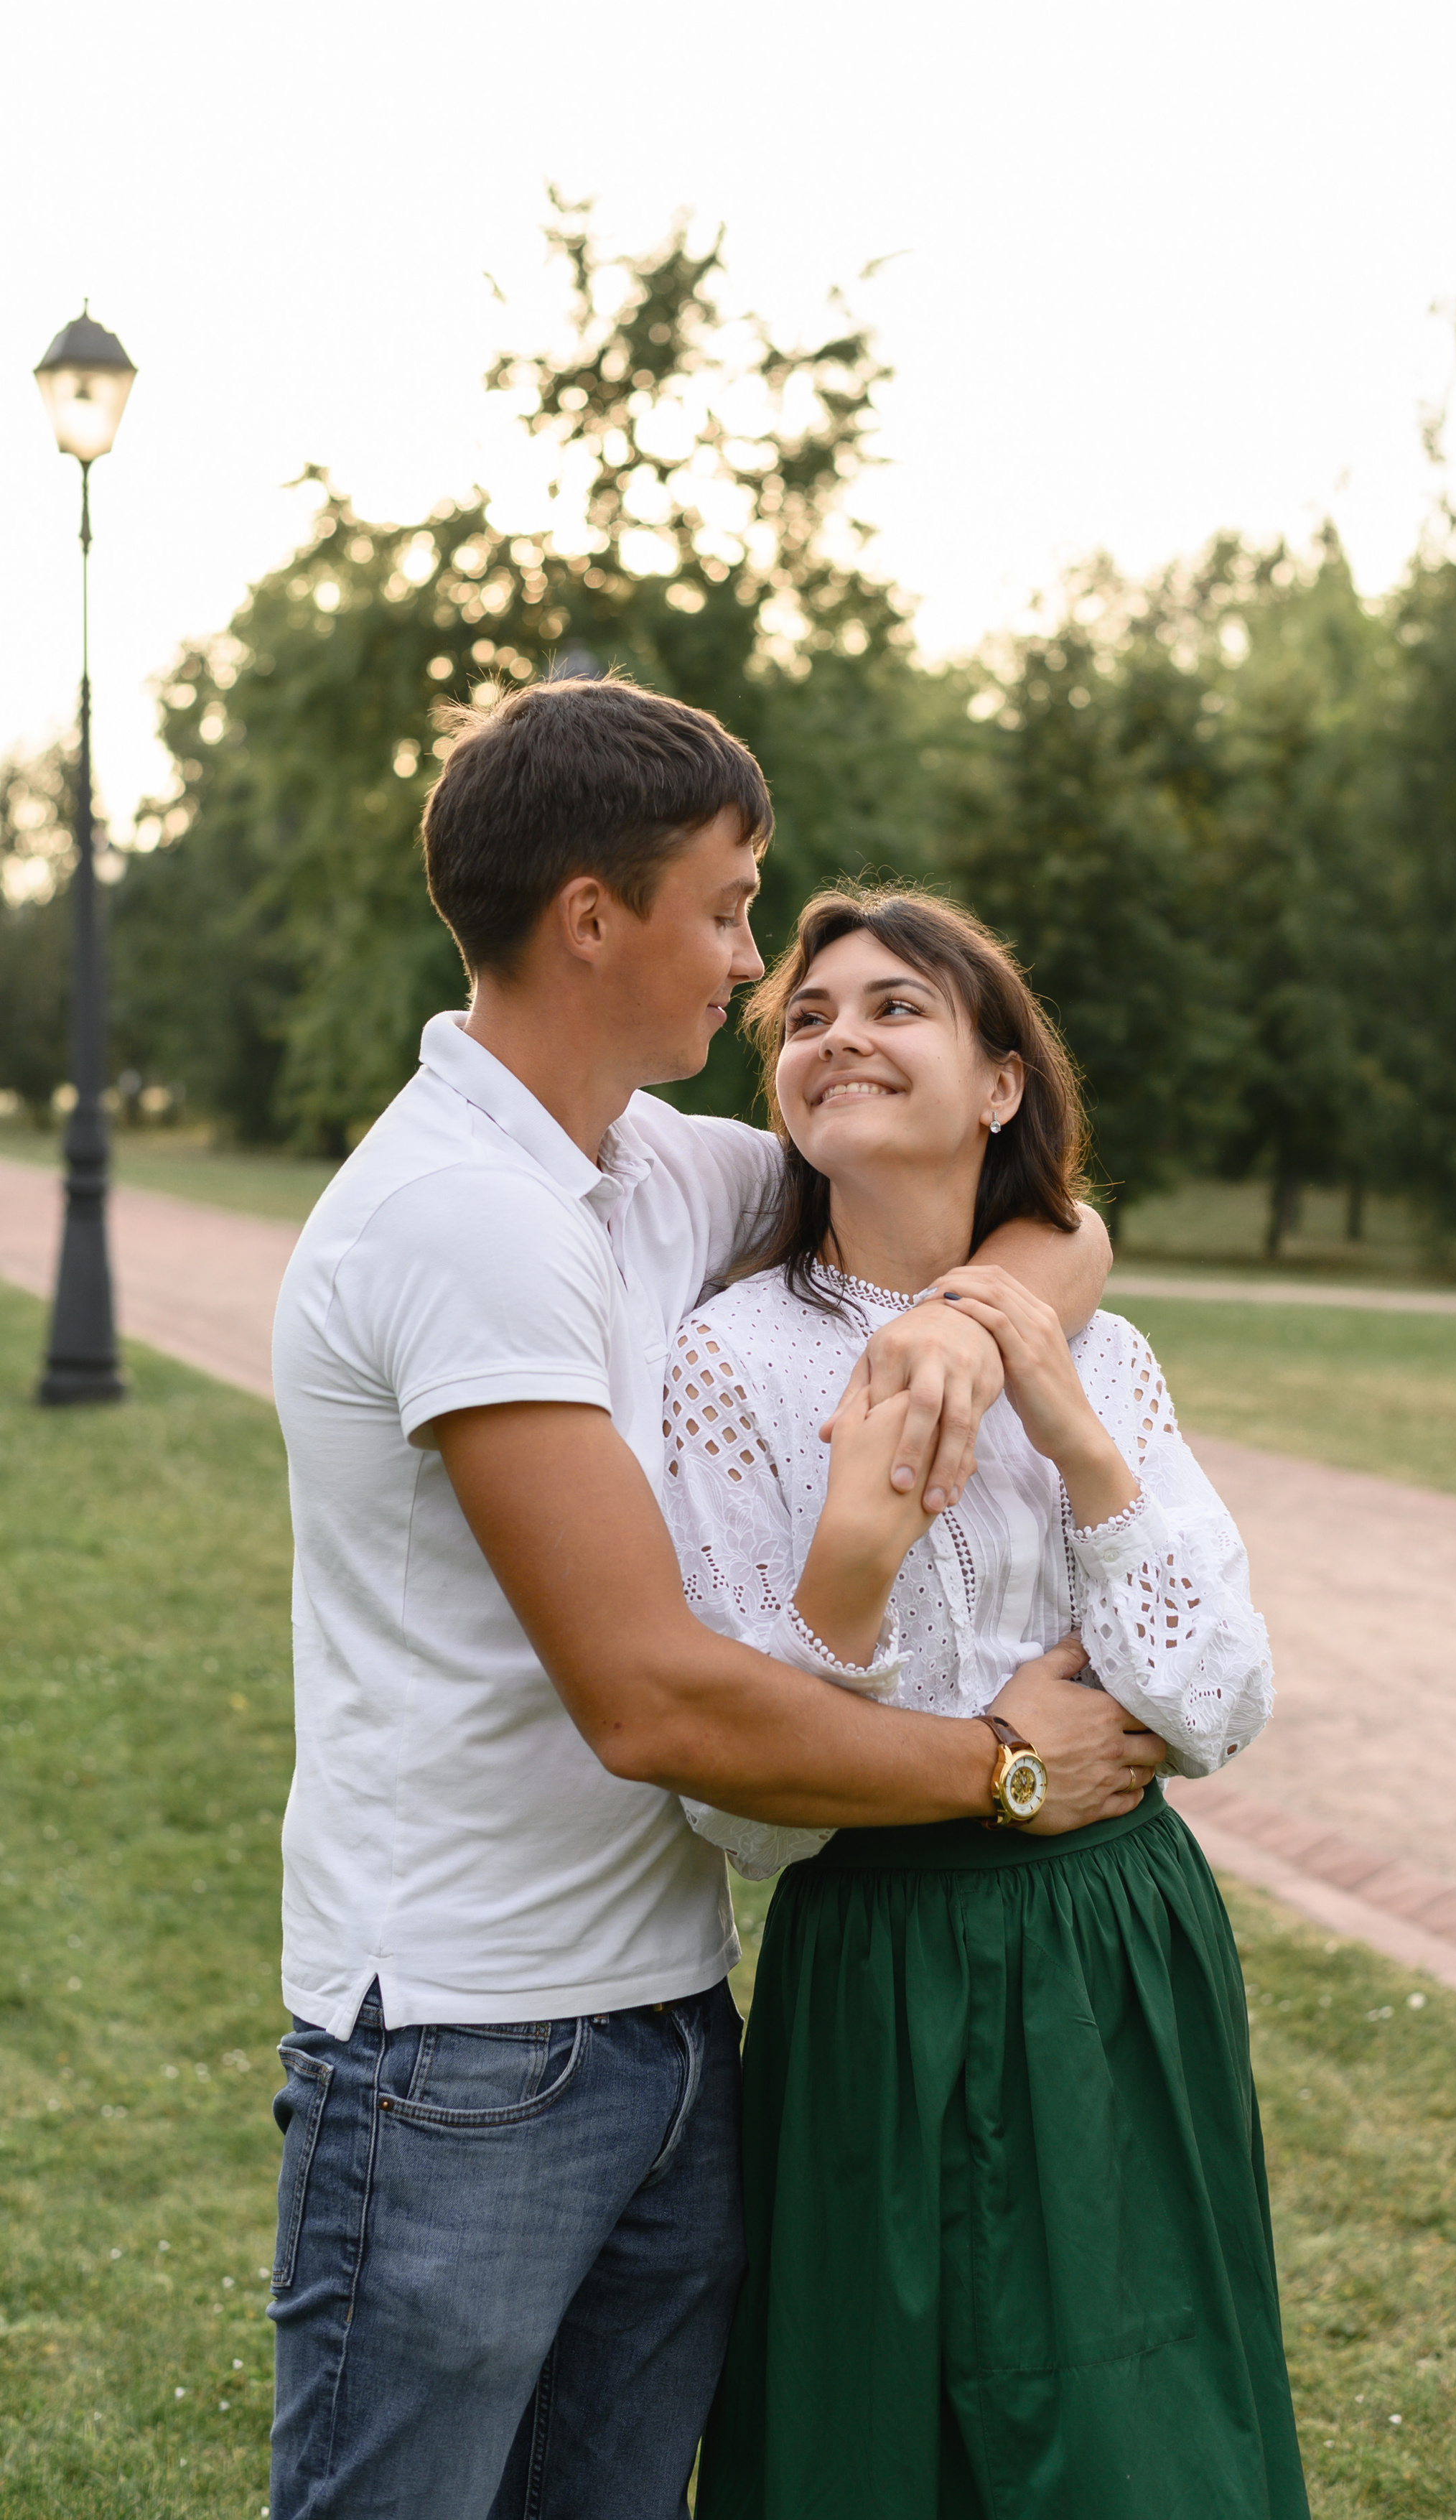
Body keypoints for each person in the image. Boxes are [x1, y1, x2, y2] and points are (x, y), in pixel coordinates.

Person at [264, 679, 1160, 2520]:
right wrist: (999, 1767)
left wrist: (953, 1332)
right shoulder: (461, 1215)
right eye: (731, 904)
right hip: (459, 2048)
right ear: (594, 916)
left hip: (672, 2016)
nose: (753, 964)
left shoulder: (654, 1162)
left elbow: (1036, 1206)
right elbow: (653, 1700)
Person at [662, 887, 1312, 2520]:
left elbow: (1216, 1702)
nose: (837, 1038)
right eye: (805, 1019)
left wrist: (1074, 1431)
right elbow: (743, 1808)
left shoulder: (1105, 1348)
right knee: (879, 2442)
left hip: (1118, 1944)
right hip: (882, 1962)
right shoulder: (729, 1362)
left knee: (1144, 2438)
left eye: (894, 1008)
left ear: (1001, 1083)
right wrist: (855, 1567)